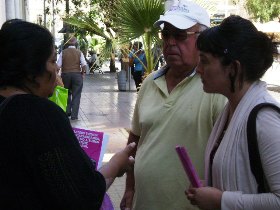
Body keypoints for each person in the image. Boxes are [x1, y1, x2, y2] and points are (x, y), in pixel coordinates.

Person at [0, 19, 135, 209]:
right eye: (52, 61)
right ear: (32, 68)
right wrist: (115, 165)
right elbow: (82, 195)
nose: (56, 69)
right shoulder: (41, 115)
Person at [120, 1, 226, 209]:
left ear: (202, 40)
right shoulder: (150, 83)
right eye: (166, 34)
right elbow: (136, 139)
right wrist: (130, 188)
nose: (170, 42)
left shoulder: (214, 88)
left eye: (180, 35)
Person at [186, 15, 280, 210]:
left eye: (204, 61)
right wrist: (210, 189)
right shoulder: (231, 109)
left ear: (233, 68)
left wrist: (221, 201)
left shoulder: (264, 119)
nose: (198, 69)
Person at [57, 36, 87, 120]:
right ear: (75, 43)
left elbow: (58, 65)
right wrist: (83, 73)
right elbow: (84, 64)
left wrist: (56, 75)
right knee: (76, 95)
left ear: (68, 43)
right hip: (77, 75)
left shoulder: (63, 52)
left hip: (65, 75)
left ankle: (67, 112)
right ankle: (74, 116)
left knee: (66, 93)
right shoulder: (79, 52)